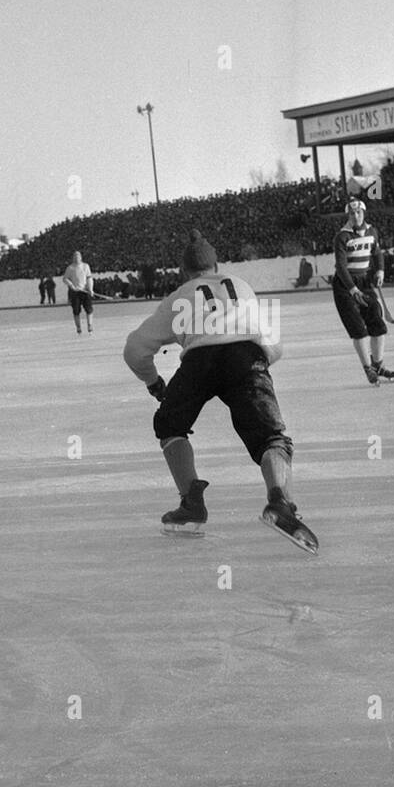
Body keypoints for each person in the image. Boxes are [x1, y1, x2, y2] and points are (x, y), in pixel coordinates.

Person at [123, 230, 317, 552]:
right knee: (270, 436)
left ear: (183, 271)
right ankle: (280, 502)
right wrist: (256, 370)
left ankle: (191, 505)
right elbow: (275, 345)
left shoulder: (179, 297)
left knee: (170, 425)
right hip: (246, 357)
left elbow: (135, 349)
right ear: (217, 265)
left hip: (199, 360)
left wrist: (154, 382)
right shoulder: (241, 286)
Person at [333, 199, 394, 385]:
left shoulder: (371, 231)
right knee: (358, 330)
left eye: (358, 213)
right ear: (348, 216)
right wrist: (352, 289)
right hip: (345, 285)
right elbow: (341, 267)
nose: (356, 216)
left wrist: (380, 271)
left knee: (378, 324)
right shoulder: (342, 236)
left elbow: (376, 253)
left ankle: (378, 365)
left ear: (364, 213)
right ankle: (368, 368)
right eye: (352, 214)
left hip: (365, 281)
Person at [63, 251, 95, 334]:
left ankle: (90, 325)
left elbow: (89, 278)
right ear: (73, 258)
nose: (77, 258)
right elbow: (65, 279)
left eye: (78, 256)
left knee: (89, 309)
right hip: (75, 292)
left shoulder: (85, 266)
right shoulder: (70, 268)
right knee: (76, 310)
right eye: (75, 256)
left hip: (85, 291)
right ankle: (78, 327)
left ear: (81, 257)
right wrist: (71, 285)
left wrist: (90, 289)